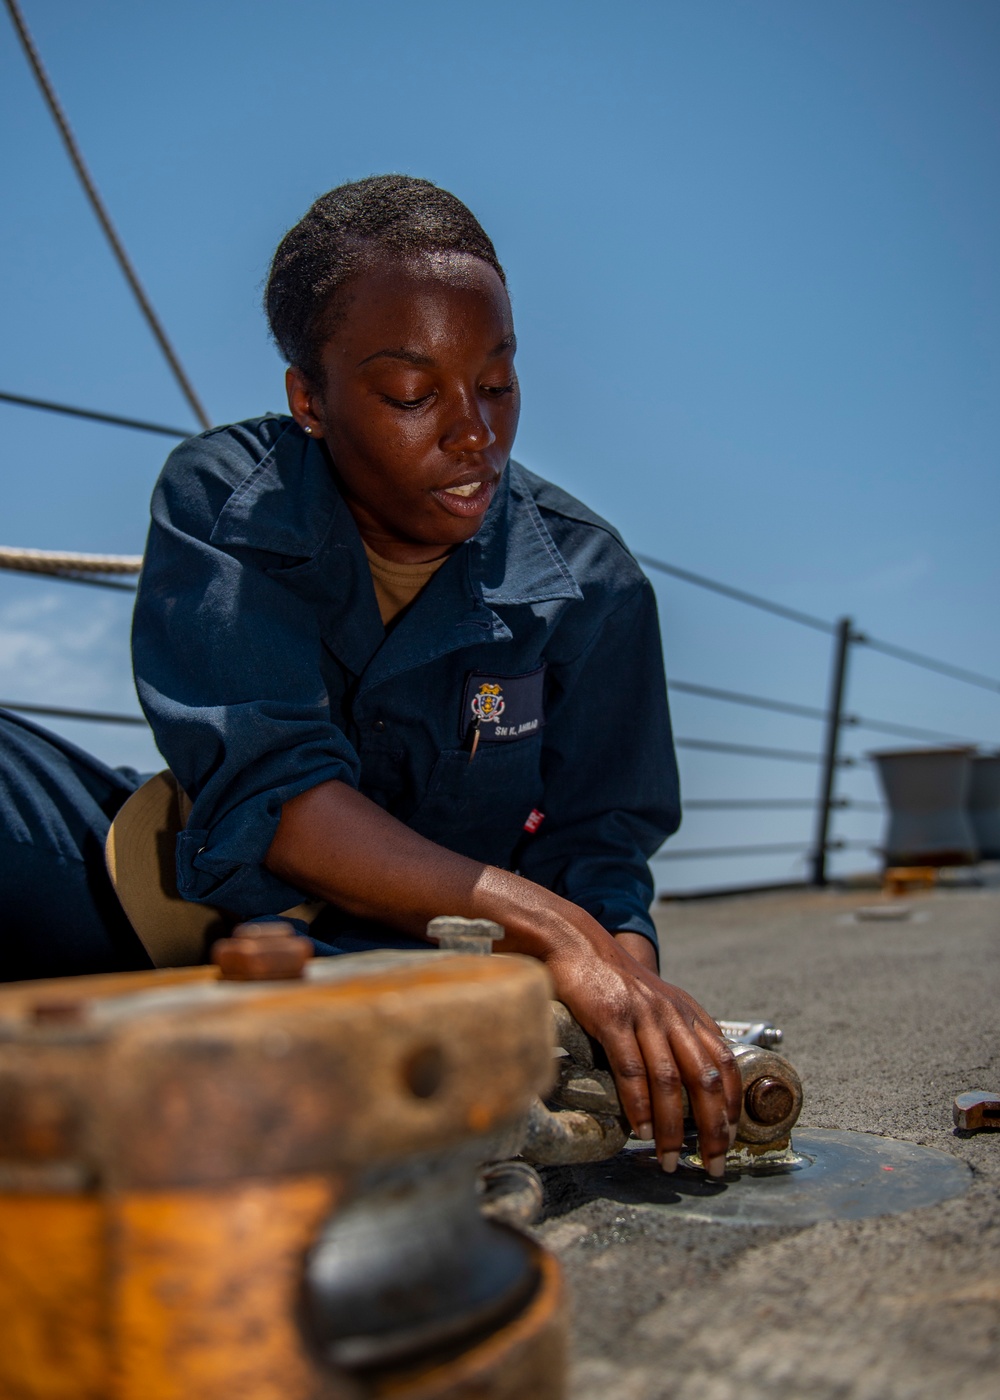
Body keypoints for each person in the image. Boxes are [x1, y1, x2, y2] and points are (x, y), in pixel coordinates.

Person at [1, 175, 740, 1176]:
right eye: (410, 394)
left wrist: (627, 1000)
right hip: (174, 917)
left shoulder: (593, 589)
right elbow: (281, 795)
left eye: (497, 381)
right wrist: (557, 932)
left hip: (430, 990)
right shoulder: (223, 498)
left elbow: (602, 846)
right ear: (310, 399)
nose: (473, 432)